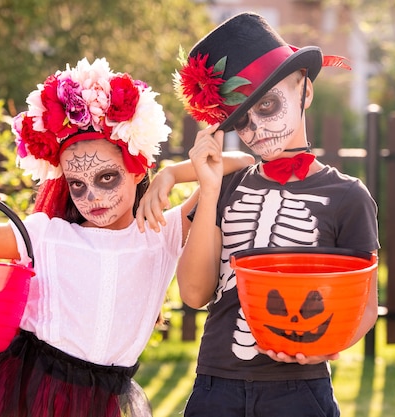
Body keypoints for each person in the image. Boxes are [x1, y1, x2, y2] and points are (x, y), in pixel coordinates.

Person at [0, 57, 253, 417]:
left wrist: (172, 175)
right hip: (27, 394)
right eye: (77, 185)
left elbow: (241, 163)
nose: (92, 198)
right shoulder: (47, 237)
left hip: (103, 400)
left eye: (106, 178)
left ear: (136, 169)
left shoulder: (163, 232)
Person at [137, 12, 379, 417]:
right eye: (241, 120)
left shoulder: (348, 196)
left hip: (299, 390)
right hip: (216, 385)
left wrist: (324, 346)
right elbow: (195, 295)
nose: (256, 131)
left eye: (267, 104)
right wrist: (206, 188)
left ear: (305, 88)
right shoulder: (226, 185)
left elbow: (365, 306)